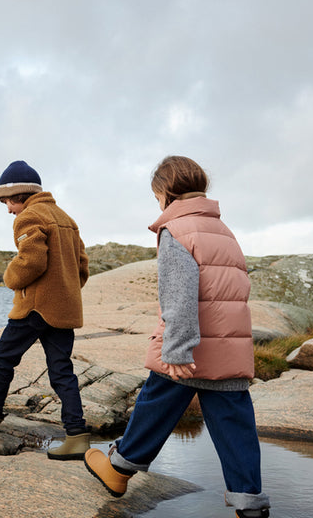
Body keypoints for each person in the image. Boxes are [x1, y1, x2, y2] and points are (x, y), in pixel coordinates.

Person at [84, 156, 271, 518]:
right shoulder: (223, 230)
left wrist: (178, 349)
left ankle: (119, 468)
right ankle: (249, 506)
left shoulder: (177, 230)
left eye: (156, 195)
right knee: (236, 428)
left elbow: (180, 294)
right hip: (228, 348)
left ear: (165, 192)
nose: (157, 202)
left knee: (155, 401)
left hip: (190, 348)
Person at [0, 160, 91, 460]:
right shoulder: (66, 218)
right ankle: (77, 436)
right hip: (63, 309)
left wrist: (11, 278)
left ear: (20, 195)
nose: (8, 209)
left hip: (35, 308)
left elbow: (32, 260)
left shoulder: (30, 216)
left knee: (3, 356)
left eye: (7, 201)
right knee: (62, 370)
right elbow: (82, 267)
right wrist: (65, 291)